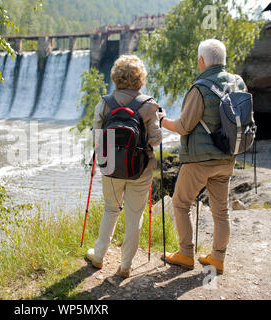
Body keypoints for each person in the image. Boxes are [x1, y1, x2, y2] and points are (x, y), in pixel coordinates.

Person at [157, 39, 247, 274]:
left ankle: (186, 254)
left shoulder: (201, 87)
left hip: (199, 160)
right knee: (221, 210)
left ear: (201, 61)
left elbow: (185, 125)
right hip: (228, 157)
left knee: (181, 203)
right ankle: (218, 258)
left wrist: (162, 121)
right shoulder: (238, 82)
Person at [85, 55, 163, 278]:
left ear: (116, 77)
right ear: (141, 78)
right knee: (134, 215)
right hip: (140, 169)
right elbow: (156, 141)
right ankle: (126, 265)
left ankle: (98, 256)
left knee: (111, 209)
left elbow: (97, 138)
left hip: (110, 167)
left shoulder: (105, 102)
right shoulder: (149, 105)